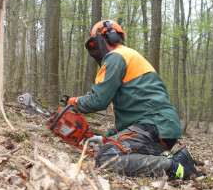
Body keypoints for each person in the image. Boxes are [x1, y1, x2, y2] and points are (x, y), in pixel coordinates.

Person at [67, 20, 201, 180]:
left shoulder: (116, 57)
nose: (96, 51)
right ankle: (178, 158)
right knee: (111, 147)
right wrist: (106, 137)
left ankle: (173, 166)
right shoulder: (131, 57)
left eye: (96, 45)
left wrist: (74, 102)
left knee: (107, 157)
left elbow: (97, 100)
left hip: (154, 126)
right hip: (160, 126)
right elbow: (130, 120)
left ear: (110, 37)